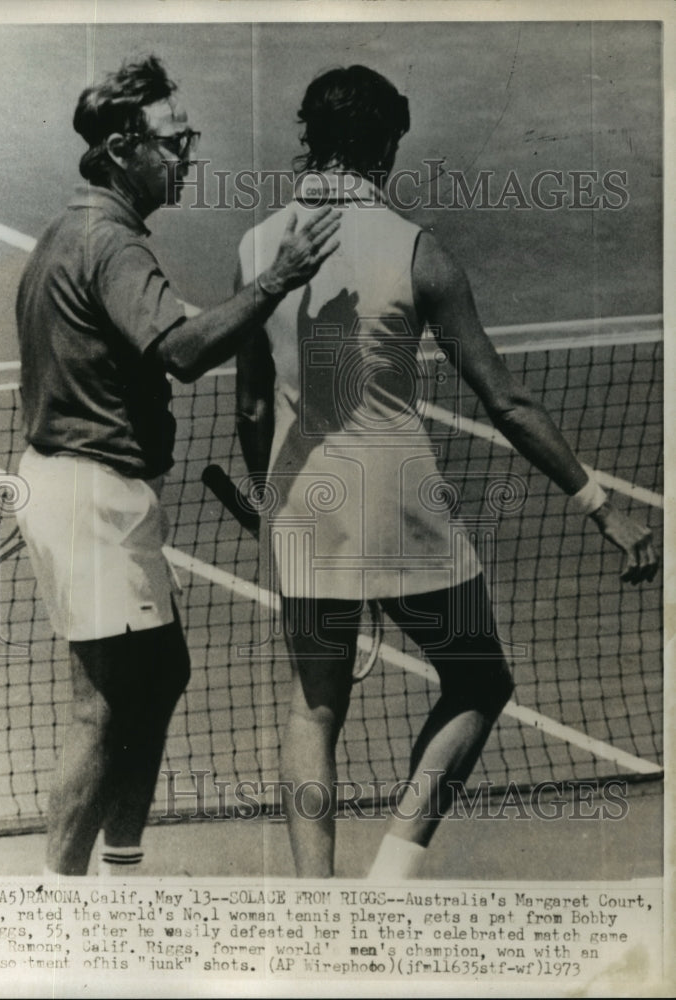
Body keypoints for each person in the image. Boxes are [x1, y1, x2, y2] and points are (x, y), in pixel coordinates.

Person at [235, 64, 659, 880]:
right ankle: (390, 879)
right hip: (404, 507)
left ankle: (316, 907)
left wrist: (270, 505)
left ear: (311, 138)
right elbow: (506, 402)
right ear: (387, 145)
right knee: (479, 679)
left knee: (313, 709)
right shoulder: (420, 254)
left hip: (306, 509)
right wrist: (601, 503)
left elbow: (253, 410)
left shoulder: (256, 249)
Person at [14, 55, 340, 877]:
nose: (187, 155)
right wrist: (278, 279)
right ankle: (57, 903)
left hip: (80, 486)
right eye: (174, 140)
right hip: (93, 499)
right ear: (124, 149)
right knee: (105, 706)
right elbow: (187, 352)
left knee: (159, 676)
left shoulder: (71, 230)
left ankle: (120, 870)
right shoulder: (112, 246)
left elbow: (127, 346)